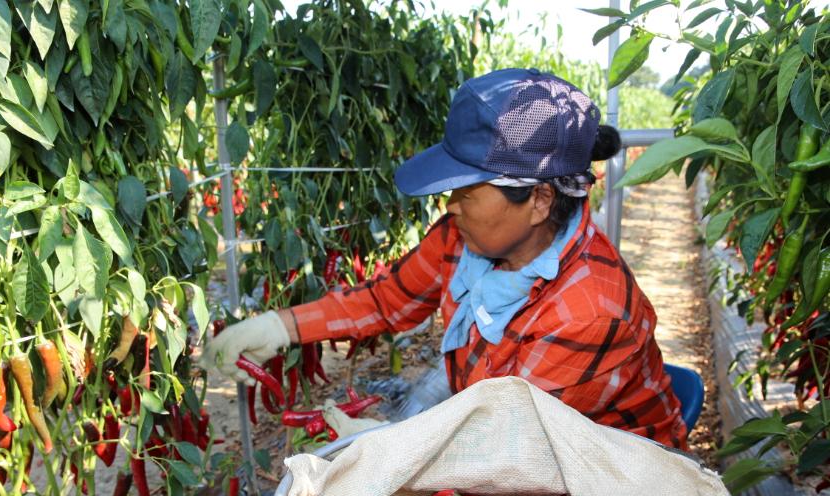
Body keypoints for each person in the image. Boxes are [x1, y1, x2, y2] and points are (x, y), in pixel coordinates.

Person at [204, 68, 687, 449]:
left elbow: (515, 449)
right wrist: (281, 326)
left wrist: (395, 448)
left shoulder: (590, 310)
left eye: (466, 191)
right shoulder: (466, 236)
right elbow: (386, 299)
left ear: (539, 200)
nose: (449, 204)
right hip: (507, 435)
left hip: (609, 478)